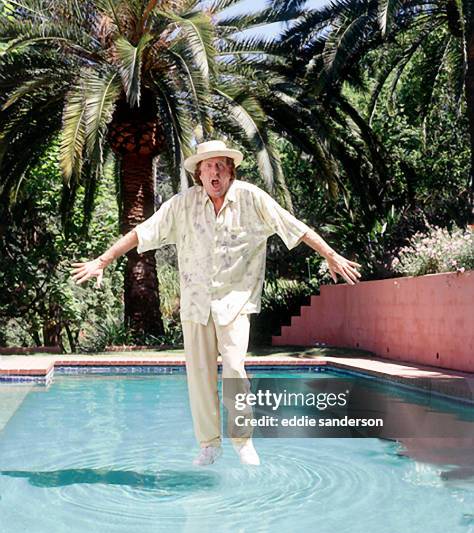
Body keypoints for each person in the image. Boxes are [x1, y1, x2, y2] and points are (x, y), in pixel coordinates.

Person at [71, 140, 361, 467]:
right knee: (199, 376)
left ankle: (242, 440)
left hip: (235, 302)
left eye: (221, 164)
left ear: (231, 170)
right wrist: (103, 259)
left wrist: (331, 255)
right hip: (196, 305)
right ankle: (209, 445)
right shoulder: (182, 205)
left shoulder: (252, 199)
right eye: (208, 165)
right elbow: (143, 232)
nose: (215, 171)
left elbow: (294, 227)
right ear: (199, 173)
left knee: (235, 369)